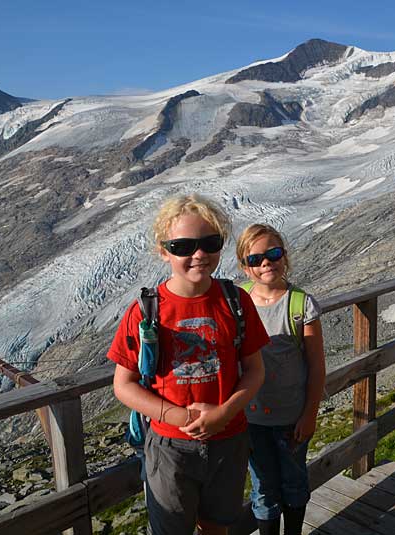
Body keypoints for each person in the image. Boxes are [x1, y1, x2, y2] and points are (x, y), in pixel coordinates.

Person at [108, 194, 269, 535]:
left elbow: (255, 370)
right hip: (170, 446)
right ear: (163, 250)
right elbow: (123, 384)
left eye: (209, 243)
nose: (198, 254)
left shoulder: (236, 301)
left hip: (229, 439)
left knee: (217, 527)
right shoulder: (146, 311)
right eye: (183, 246)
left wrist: (224, 412)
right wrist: (176, 416)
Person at [235, 224, 326, 535]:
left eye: (273, 254)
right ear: (244, 266)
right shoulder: (238, 301)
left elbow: (316, 366)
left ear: (284, 256)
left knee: (293, 482)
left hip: (292, 417)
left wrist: (310, 413)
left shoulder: (301, 304)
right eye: (256, 258)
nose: (266, 263)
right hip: (251, 418)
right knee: (263, 488)